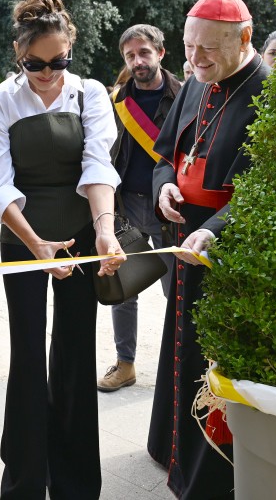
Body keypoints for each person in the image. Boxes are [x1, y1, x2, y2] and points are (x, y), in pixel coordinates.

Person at [0, 0, 125, 500]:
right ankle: (22, 481)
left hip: (83, 234)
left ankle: (76, 483)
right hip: (23, 239)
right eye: (35, 65)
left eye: (58, 63)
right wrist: (36, 243)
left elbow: (98, 164)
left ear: (70, 52)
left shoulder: (89, 92)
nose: (47, 76)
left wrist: (104, 230)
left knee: (74, 351)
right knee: (26, 354)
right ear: (18, 55)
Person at [147, 0, 269, 499]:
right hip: (183, 230)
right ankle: (169, 446)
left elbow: (266, 188)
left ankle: (204, 470)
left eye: (208, 50)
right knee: (179, 339)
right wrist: (164, 186)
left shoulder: (269, 93)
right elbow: (163, 157)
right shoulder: (196, 82)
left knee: (207, 353)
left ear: (244, 38)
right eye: (188, 48)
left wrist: (216, 229)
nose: (195, 61)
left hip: (227, 244)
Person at [97, 24, 180, 393]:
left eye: (144, 53)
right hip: (126, 207)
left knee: (175, 292)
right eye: (130, 56)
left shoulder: (185, 94)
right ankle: (126, 364)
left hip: (170, 209)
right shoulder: (116, 101)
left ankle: (179, 366)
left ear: (161, 53)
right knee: (124, 290)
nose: (137, 62)